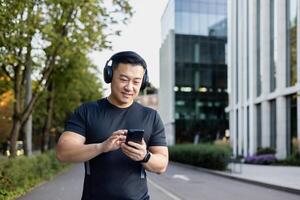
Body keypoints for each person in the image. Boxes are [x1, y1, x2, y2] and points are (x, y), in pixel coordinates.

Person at [56, 51, 169, 200]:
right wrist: (102, 147)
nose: (129, 87)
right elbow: (63, 153)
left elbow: (162, 165)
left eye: (136, 82)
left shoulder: (151, 116)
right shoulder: (87, 111)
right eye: (123, 79)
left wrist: (144, 156)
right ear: (109, 76)